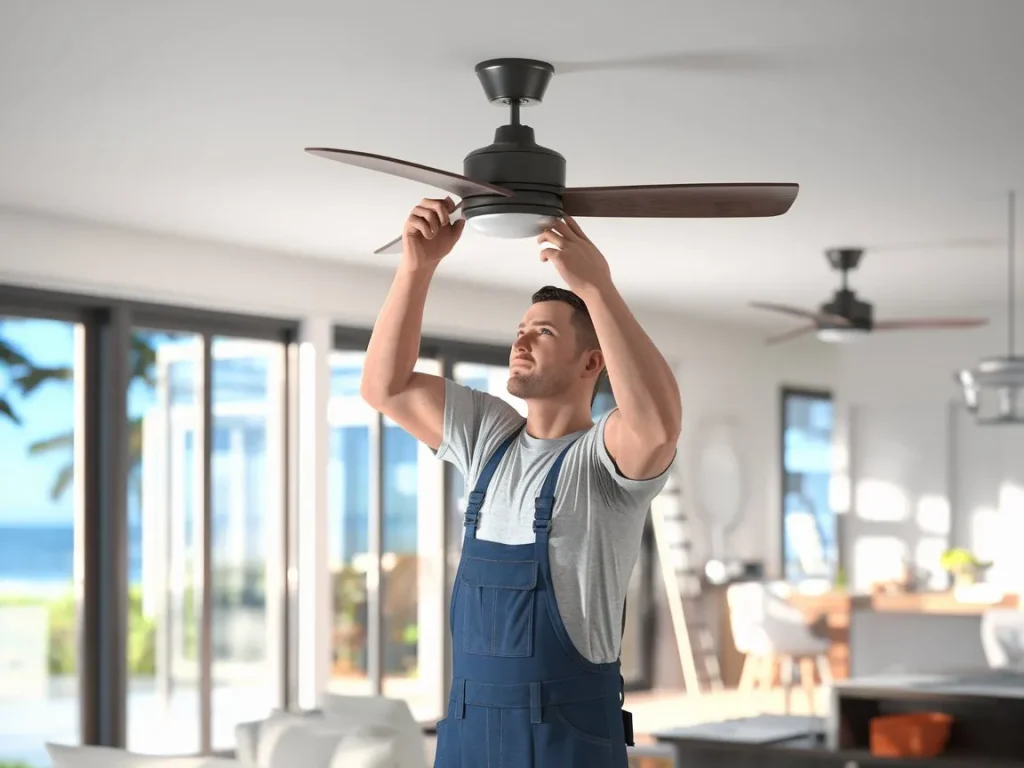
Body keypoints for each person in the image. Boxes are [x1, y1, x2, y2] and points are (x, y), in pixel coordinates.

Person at [360, 196, 681, 767]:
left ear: (590, 364)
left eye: (545, 334)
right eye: (521, 329)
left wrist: (598, 288)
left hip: (568, 742)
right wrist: (417, 266)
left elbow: (656, 425)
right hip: (467, 738)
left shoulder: (601, 461)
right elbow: (385, 387)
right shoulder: (488, 437)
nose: (521, 341)